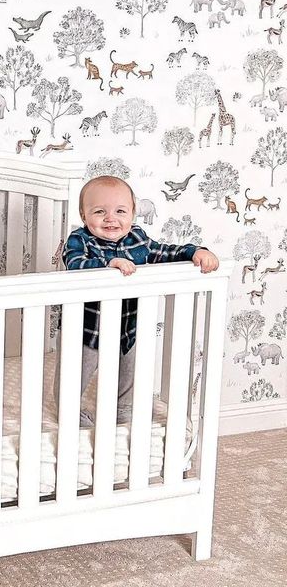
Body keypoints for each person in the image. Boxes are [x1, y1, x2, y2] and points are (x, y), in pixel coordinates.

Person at [54, 175, 219, 427]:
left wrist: (196, 251)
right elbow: (74, 263)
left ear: (133, 214)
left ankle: (123, 409)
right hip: (86, 328)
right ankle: (69, 410)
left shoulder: (138, 239)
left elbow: (165, 252)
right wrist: (108, 264)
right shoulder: (80, 240)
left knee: (129, 371)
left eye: (121, 211)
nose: (111, 218)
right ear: (83, 215)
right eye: (99, 211)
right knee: (74, 373)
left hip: (128, 325)